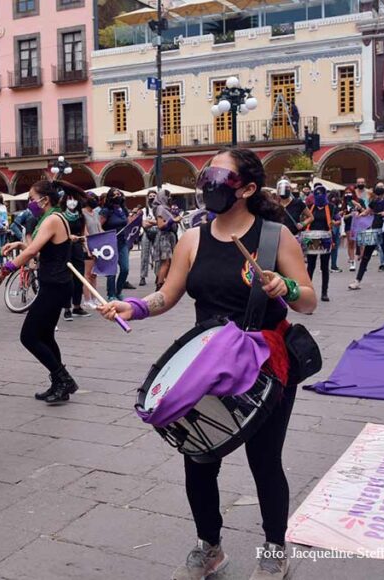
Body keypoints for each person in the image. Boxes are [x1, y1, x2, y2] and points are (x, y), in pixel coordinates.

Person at [99, 147, 316, 580]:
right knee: (197, 455)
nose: (209, 181)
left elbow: (307, 300)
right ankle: (209, 547)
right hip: (207, 361)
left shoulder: (275, 238)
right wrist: (134, 308)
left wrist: (284, 286)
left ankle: (275, 547)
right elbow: (169, 294)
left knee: (265, 459)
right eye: (209, 173)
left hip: (264, 362)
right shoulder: (192, 238)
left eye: (221, 175)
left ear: (249, 188)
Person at [0, 181, 81, 403]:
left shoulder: (53, 219)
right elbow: (41, 249)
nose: (30, 203)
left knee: (29, 336)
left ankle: (63, 379)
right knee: (45, 335)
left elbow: (33, 251)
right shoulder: (54, 218)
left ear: (45, 199)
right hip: (57, 282)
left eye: (31, 198)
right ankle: (59, 384)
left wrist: (5, 270)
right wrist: (18, 244)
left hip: (54, 285)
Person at [348, 182, 384, 291]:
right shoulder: (374, 201)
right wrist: (359, 214)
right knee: (365, 257)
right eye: (377, 186)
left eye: (381, 187)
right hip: (374, 230)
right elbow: (367, 212)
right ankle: (357, 281)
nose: (379, 188)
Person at [62, 188, 91, 321]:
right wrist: (69, 236)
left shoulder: (80, 216)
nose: (72, 202)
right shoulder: (61, 216)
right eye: (69, 199)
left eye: (74, 200)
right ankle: (66, 308)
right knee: (67, 279)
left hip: (78, 248)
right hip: (65, 248)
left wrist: (88, 248)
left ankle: (77, 306)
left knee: (79, 277)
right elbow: (58, 233)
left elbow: (84, 232)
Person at [99, 189, 131, 300]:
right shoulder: (106, 211)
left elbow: (128, 223)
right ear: (110, 197)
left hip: (122, 242)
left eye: (119, 194)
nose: (118, 196)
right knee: (111, 270)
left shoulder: (123, 210)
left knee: (125, 269)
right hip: (110, 242)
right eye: (115, 195)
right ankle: (111, 294)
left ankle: (119, 291)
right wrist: (105, 235)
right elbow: (99, 226)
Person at [304, 184, 334, 302]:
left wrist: (335, 222)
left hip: (325, 237)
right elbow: (305, 219)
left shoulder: (331, 207)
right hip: (312, 237)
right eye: (317, 193)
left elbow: (336, 219)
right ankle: (308, 291)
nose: (319, 195)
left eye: (321, 193)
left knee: (324, 266)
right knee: (310, 266)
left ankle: (324, 293)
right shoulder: (310, 207)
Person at [151, 189, 181, 290]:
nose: (169, 198)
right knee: (166, 262)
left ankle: (165, 281)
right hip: (164, 237)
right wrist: (173, 220)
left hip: (170, 236)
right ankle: (159, 285)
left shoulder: (166, 208)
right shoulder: (160, 208)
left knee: (170, 262)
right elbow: (160, 225)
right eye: (167, 196)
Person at [81, 191, 103, 307]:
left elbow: (99, 228)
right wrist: (88, 247)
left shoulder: (95, 213)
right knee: (87, 274)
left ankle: (95, 297)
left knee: (94, 274)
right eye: (92, 198)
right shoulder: (82, 214)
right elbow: (85, 231)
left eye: (96, 198)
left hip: (97, 247)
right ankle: (87, 299)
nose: (94, 200)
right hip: (88, 247)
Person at [341, 188, 363, 271]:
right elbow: (343, 216)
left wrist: (357, 205)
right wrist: (350, 214)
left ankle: (362, 259)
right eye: (346, 193)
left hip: (359, 224)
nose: (348, 194)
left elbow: (364, 211)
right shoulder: (344, 203)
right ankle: (352, 261)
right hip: (349, 224)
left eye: (349, 192)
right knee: (351, 242)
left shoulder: (359, 201)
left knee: (360, 242)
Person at [139, 191, 157, 287]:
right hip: (146, 233)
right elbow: (143, 224)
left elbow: (160, 222)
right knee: (144, 255)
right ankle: (142, 277)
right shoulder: (144, 210)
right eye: (150, 196)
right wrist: (154, 222)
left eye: (154, 196)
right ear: (147, 198)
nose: (152, 198)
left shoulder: (159, 209)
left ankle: (158, 276)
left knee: (157, 256)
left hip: (157, 233)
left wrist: (150, 222)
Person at [327, 191, 343, 273]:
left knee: (326, 247)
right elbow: (338, 220)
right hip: (333, 227)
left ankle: (324, 266)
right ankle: (333, 265)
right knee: (334, 246)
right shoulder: (334, 207)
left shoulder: (324, 205)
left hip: (326, 227)